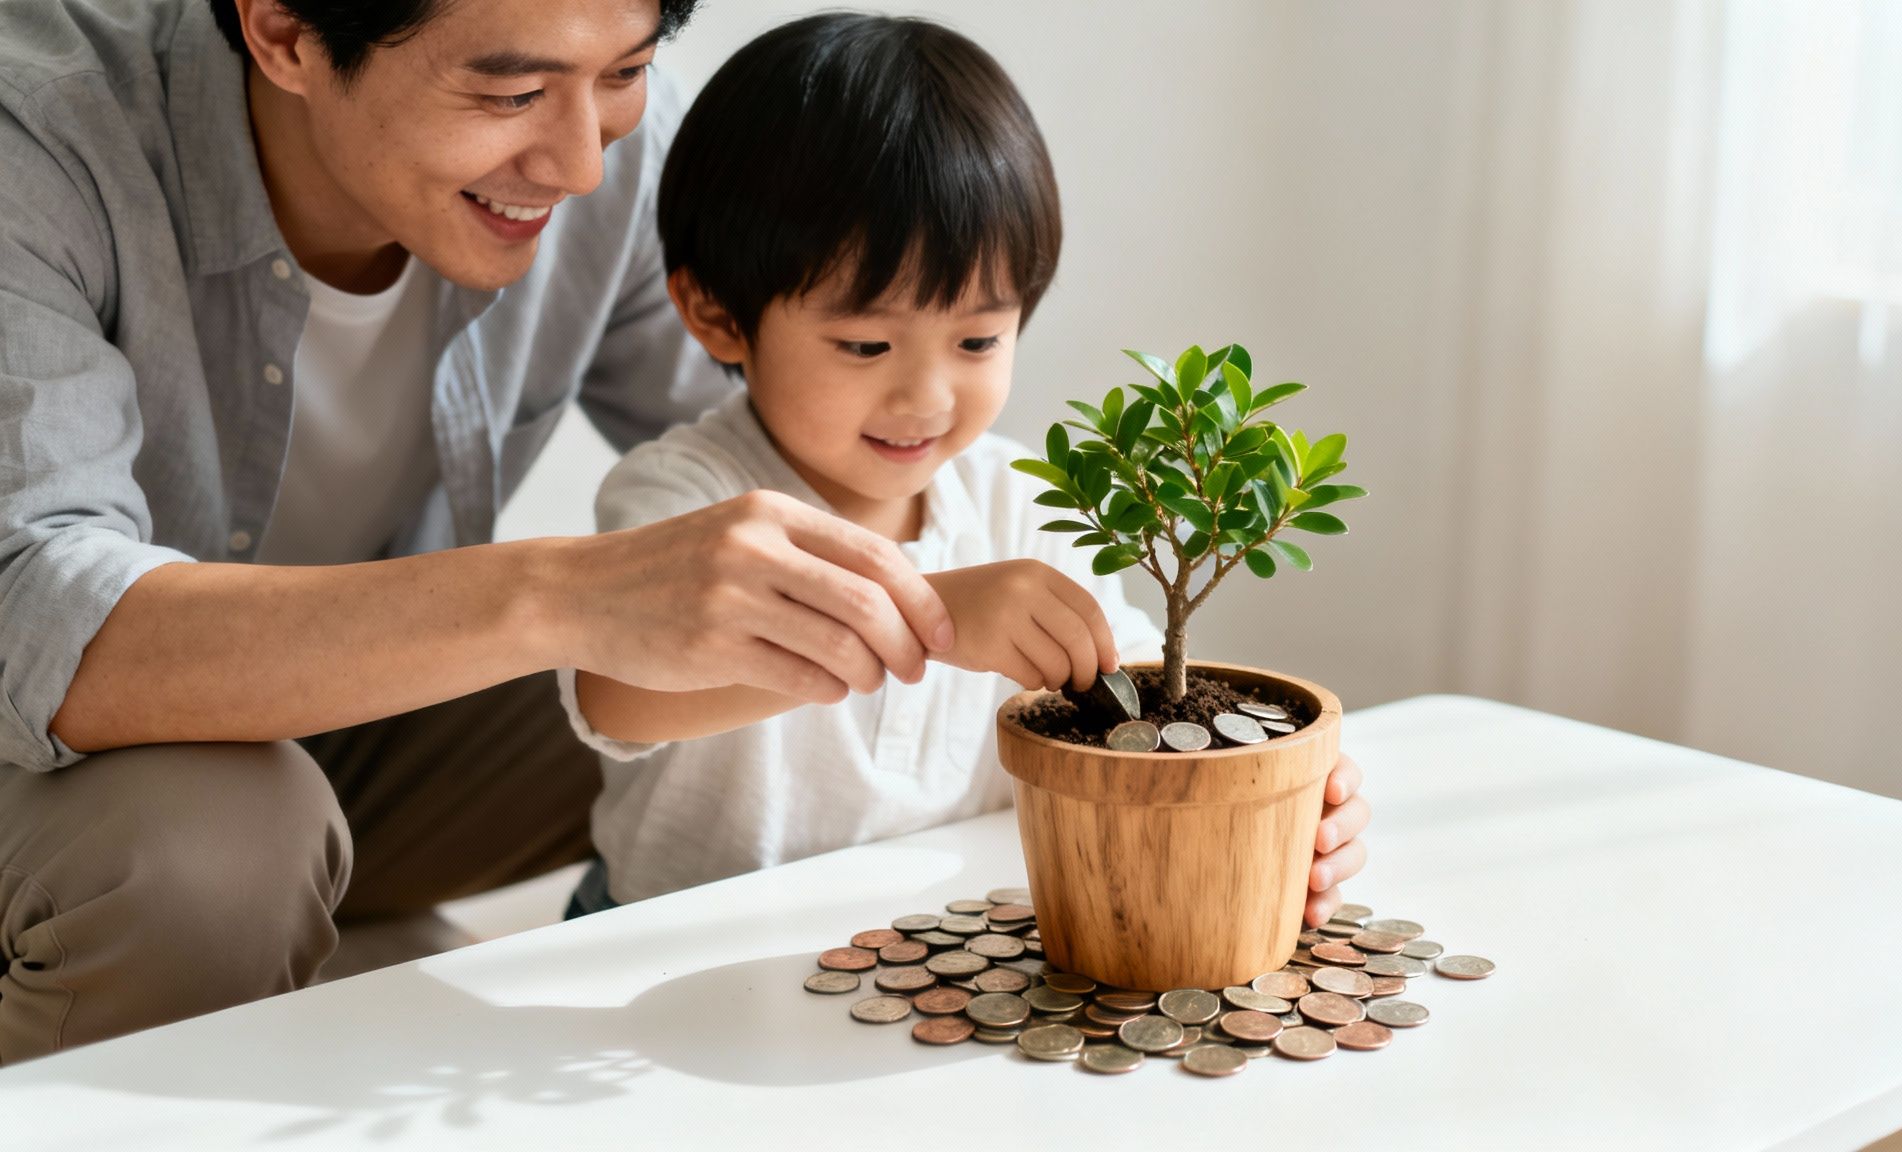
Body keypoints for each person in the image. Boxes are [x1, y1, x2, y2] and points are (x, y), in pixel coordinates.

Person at [0, 0, 963, 1062]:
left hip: (349, 740)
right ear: (283, 33)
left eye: (625, 72)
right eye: (509, 94)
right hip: (41, 754)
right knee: (216, 850)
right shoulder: (37, 135)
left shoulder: (604, 141)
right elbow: (38, 613)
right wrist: (567, 594)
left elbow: (812, 460)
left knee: (763, 654)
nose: (580, 165)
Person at [556, 13, 1372, 923]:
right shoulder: (684, 496)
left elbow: (1144, 687)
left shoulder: (1022, 501)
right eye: (866, 344)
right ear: (717, 316)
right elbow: (620, 695)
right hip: (670, 948)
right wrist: (936, 616)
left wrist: (1272, 796)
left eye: (978, 338)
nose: (927, 397)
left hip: (940, 952)